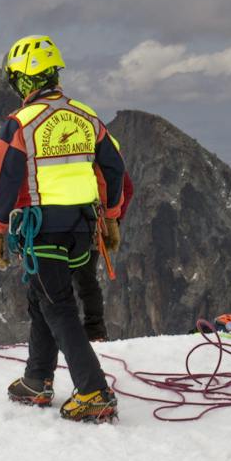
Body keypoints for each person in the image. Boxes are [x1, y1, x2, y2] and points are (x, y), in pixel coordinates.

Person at [0, 35, 129, 422]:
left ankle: (94, 391)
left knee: (57, 305)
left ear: (24, 80)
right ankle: (37, 379)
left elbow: (4, 181)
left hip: (43, 228)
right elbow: (114, 168)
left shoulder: (20, 124)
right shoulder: (87, 116)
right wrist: (112, 217)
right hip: (83, 227)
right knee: (42, 299)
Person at [72, 137, 132, 342]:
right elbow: (126, 186)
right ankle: (95, 331)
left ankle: (67, 331)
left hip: (72, 222)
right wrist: (112, 220)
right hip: (93, 223)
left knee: (62, 280)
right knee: (86, 278)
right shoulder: (102, 143)